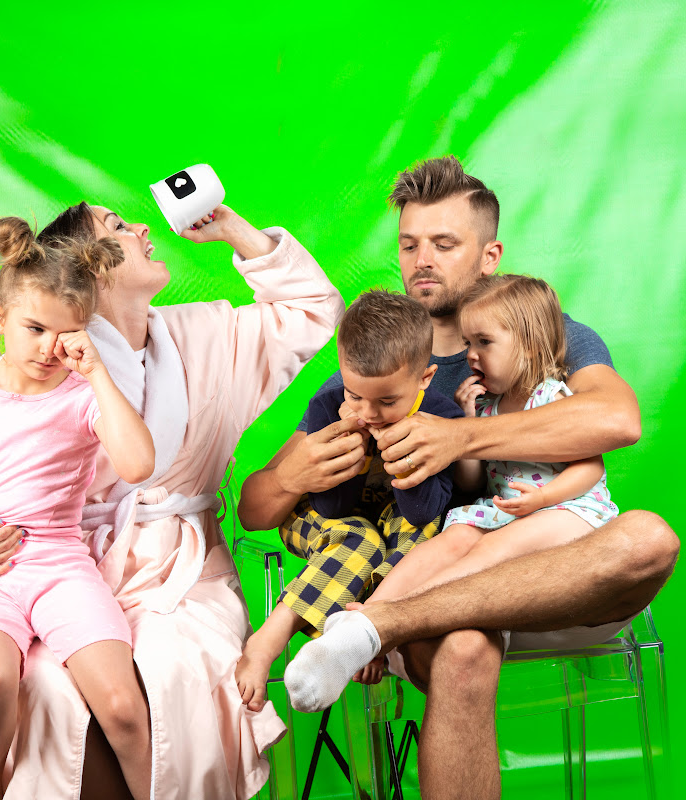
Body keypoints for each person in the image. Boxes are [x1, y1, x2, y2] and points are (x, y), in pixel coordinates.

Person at [238, 156, 678, 800]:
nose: (423, 260)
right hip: (441, 607)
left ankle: (373, 625)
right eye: (409, 244)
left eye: (444, 244)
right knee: (465, 648)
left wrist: (461, 437)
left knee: (648, 539)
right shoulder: (382, 367)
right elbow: (254, 508)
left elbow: (617, 419)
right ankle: (377, 627)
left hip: (553, 583)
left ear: (489, 255)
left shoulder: (538, 331)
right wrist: (291, 475)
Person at [0, 202, 345, 799]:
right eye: (118, 226)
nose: (142, 229)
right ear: (88, 268)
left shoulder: (207, 334)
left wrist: (234, 231)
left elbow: (314, 309)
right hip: (70, 568)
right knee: (46, 688)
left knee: (168, 671)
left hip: (186, 576)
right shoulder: (48, 359)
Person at [0, 222, 158, 800]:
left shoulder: (83, 397)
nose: (48, 349)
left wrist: (97, 373)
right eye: (35, 329)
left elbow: (139, 464)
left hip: (59, 566)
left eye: (66, 335)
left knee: (122, 707)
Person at [285, 271, 627, 711]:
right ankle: (357, 625)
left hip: (567, 510)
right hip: (505, 510)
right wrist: (466, 426)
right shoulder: (485, 406)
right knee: (449, 540)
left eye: (484, 343)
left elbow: (590, 466)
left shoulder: (552, 396)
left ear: (528, 346)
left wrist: (544, 498)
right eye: (468, 343)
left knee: (487, 550)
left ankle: (383, 623)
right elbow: (471, 482)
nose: (470, 355)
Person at [235, 289, 462, 711]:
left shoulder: (443, 417)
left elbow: (424, 511)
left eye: (387, 401)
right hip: (318, 518)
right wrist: (349, 452)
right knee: (360, 538)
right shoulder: (328, 405)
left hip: (395, 526)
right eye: (355, 395)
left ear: (425, 378)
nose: (368, 412)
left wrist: (401, 460)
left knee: (427, 533)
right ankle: (269, 638)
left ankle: (368, 633)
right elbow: (332, 509)